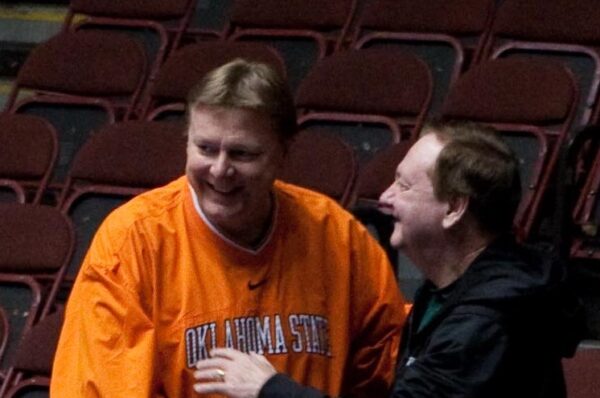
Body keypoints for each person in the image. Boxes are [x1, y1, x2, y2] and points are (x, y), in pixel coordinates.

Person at [50, 59, 406, 397]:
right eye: (205, 148)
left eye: (242, 154)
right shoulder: (135, 241)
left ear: (283, 153)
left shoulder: (336, 237)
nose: (220, 170)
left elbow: (393, 365)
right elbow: (99, 383)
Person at [193, 120, 585, 398]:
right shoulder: (455, 294)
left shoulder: (486, 322)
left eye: (404, 184)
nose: (384, 196)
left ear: (454, 208)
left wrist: (269, 388)